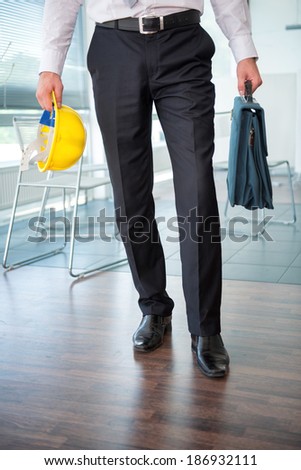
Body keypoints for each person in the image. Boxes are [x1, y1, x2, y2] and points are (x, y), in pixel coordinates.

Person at [36, 0, 262, 378]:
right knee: (130, 191)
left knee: (197, 190)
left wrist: (243, 49)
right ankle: (154, 307)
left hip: (184, 44)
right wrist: (49, 65)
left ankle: (206, 328)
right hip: (113, 47)